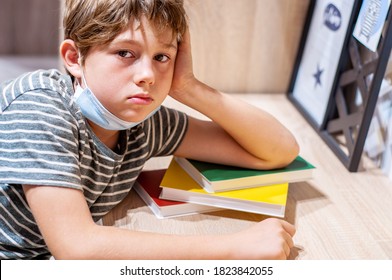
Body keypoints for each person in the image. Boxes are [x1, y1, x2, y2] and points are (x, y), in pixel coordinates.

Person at [0, 0, 299, 260]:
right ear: (74, 58)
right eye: (125, 53)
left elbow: (278, 151)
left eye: (161, 57)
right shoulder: (39, 106)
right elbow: (77, 247)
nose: (147, 76)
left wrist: (188, 87)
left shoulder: (144, 126)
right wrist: (234, 248)